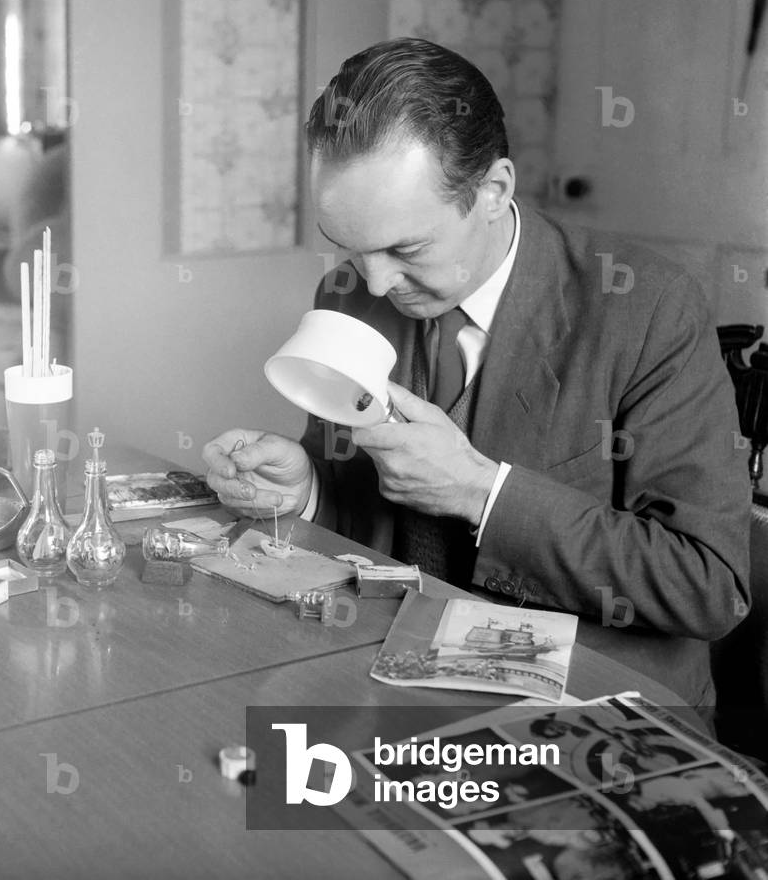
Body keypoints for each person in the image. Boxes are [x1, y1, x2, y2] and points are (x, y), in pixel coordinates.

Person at [203, 38, 751, 708]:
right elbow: (371, 527)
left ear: (492, 190)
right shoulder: (351, 295)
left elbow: (709, 584)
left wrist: (481, 492)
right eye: (348, 245)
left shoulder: (647, 310)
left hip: (592, 706)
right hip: (393, 681)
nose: (373, 279)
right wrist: (306, 493)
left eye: (407, 248)